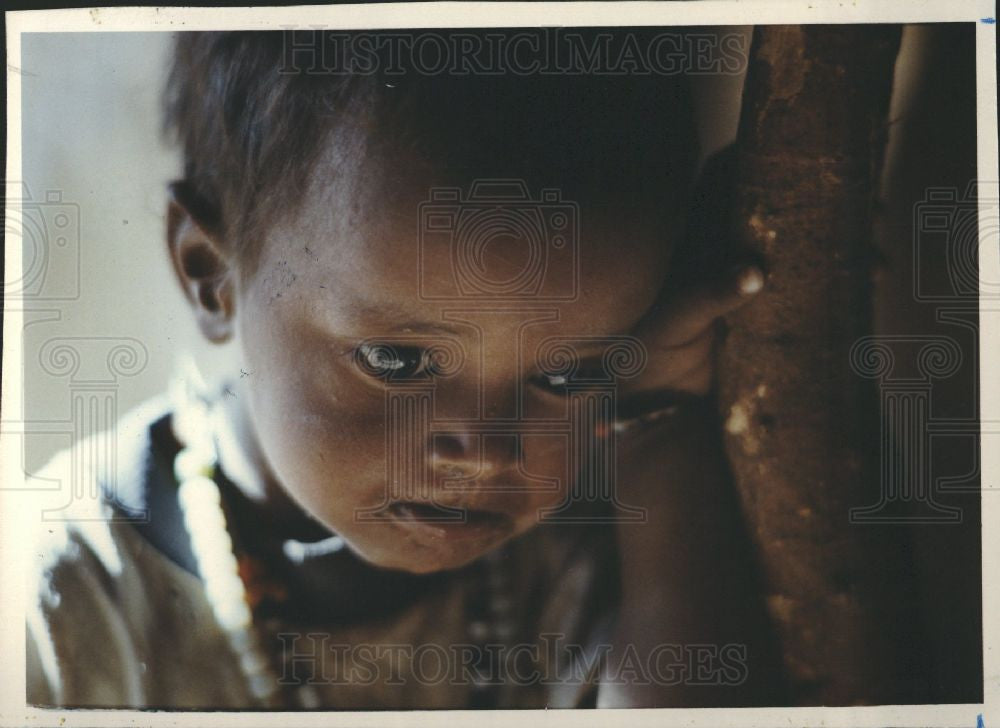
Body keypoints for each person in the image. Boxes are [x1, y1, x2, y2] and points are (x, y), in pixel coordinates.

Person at [27, 29, 780, 709]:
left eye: (571, 374)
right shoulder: (51, 611)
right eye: (399, 361)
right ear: (209, 273)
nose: (486, 453)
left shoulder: (598, 545)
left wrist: (664, 426)